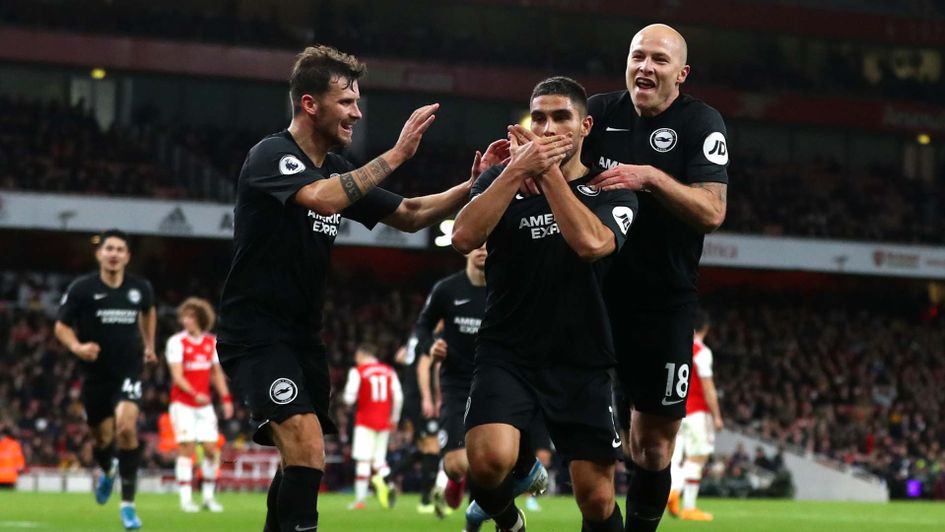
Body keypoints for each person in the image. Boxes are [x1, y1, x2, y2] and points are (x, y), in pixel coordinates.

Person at [215, 44, 504, 532]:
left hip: (304, 338)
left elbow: (411, 216)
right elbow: (322, 201)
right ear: (310, 104)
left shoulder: (332, 170)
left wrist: (472, 186)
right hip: (256, 334)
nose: (357, 112)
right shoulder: (272, 155)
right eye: (347, 101)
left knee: (298, 460)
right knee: (307, 445)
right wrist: (396, 154)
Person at [453, 76, 638, 532]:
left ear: (585, 126)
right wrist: (516, 171)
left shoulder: (611, 189)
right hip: (507, 350)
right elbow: (462, 237)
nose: (548, 127)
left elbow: (591, 244)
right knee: (486, 462)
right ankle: (509, 522)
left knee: (595, 499)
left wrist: (549, 173)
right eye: (539, 117)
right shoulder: (503, 180)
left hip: (581, 356)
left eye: (561, 117)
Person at [579, 23, 730, 531]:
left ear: (682, 74)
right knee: (592, 440)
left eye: (659, 60)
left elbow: (711, 211)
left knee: (654, 443)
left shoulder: (701, 123)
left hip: (665, 302)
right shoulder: (597, 113)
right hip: (594, 296)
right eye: (637, 56)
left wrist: (651, 176)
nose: (645, 67)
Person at [54, 229, 156, 530]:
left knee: (126, 427)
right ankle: (107, 468)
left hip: (129, 369)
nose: (113, 253)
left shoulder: (141, 288)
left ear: (127, 256)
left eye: (119, 249)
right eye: (108, 248)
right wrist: (77, 347)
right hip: (96, 375)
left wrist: (149, 345)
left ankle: (128, 506)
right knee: (102, 438)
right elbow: (61, 326)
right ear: (99, 254)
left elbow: (149, 312)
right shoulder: (82, 289)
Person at [165, 297, 233, 513]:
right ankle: (185, 500)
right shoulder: (177, 342)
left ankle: (208, 497)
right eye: (184, 317)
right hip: (182, 404)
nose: (186, 321)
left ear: (201, 319)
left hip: (204, 407)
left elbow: (217, 374)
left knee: (213, 450)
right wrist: (195, 393)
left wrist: (226, 399)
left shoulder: (210, 342)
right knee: (187, 448)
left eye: (191, 317)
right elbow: (177, 376)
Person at [667, 309, 722, 521]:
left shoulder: (676, 348)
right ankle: (686, 504)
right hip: (697, 412)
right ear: (706, 328)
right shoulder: (702, 352)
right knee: (696, 458)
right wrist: (717, 416)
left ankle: (672, 492)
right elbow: (708, 388)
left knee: (676, 459)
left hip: (677, 411)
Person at [341, 343, 403, 510]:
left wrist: (347, 401)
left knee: (363, 461)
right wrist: (394, 418)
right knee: (379, 460)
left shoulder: (358, 371)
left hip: (365, 421)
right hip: (384, 421)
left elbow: (349, 398)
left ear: (362, 355)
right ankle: (389, 483)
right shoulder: (389, 371)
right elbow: (398, 396)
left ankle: (360, 501)